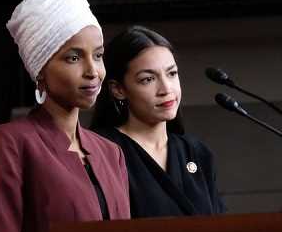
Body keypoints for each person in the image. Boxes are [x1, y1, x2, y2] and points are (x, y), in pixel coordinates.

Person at [0, 0, 130, 232]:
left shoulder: (111, 153)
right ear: (40, 69)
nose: (93, 71)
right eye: (74, 58)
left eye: (98, 55)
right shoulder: (8, 143)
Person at [91, 25, 225, 218]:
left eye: (172, 74)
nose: (166, 88)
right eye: (148, 79)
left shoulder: (196, 151)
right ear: (118, 89)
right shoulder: (101, 150)